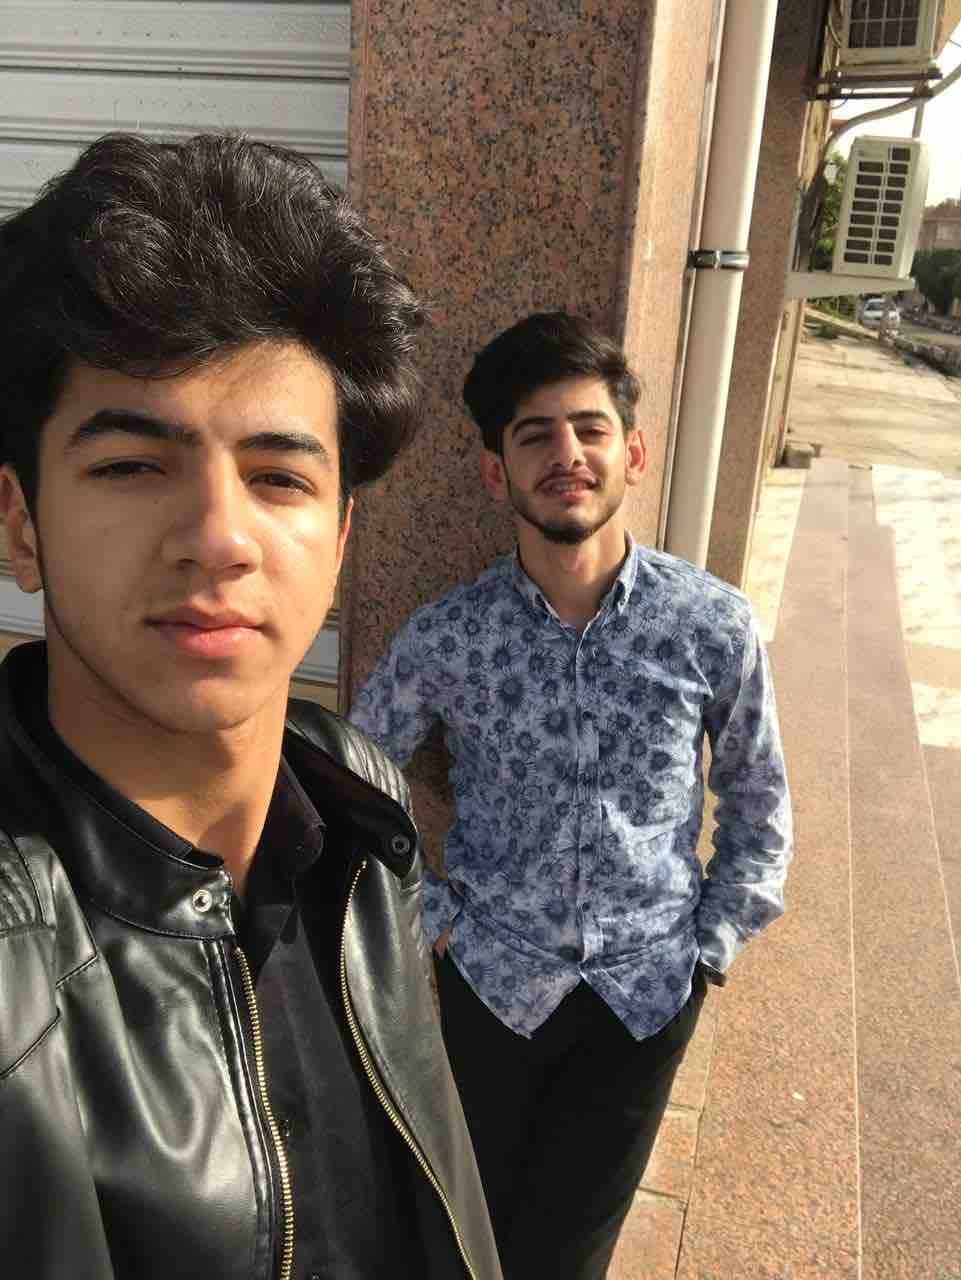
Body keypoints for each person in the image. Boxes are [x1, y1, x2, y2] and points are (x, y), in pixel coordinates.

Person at [0, 132, 501, 1280]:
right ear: (21, 522)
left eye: (279, 477)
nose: (220, 536)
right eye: (132, 465)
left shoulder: (358, 807)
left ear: (340, 536)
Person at [349, 312, 794, 1279]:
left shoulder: (709, 624)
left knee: (566, 1261)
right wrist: (428, 920)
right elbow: (352, 782)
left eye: (589, 429)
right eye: (534, 434)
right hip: (486, 987)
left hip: (645, 999)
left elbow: (758, 799)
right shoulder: (449, 637)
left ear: (632, 452)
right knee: (454, 1239)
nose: (566, 454)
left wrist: (710, 946)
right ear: (494, 472)